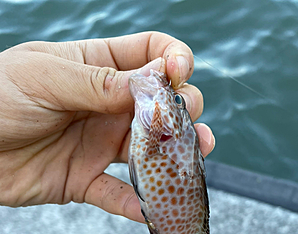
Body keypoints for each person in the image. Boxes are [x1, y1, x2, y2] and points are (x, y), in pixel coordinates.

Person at [0, 31, 215, 223]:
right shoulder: (154, 123)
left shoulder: (162, 128)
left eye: (178, 102)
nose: (175, 100)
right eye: (177, 101)